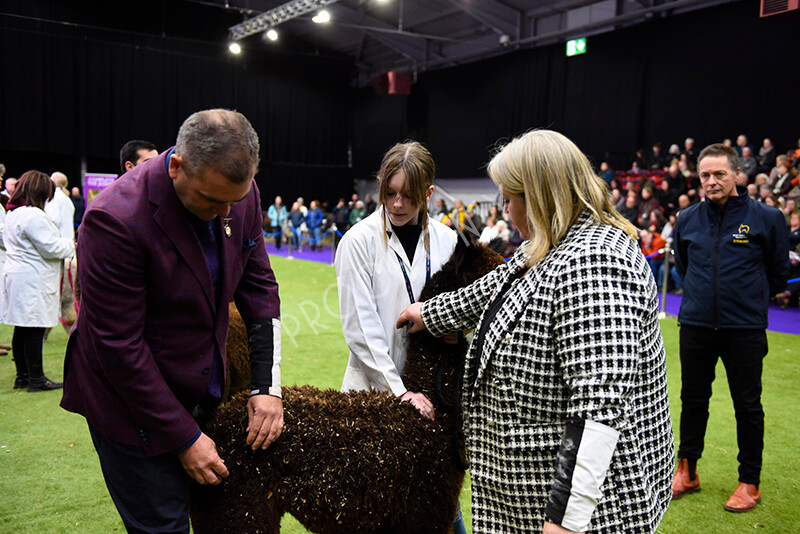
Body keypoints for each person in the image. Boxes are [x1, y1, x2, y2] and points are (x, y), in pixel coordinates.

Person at [397, 130, 673, 533]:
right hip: (526, 495)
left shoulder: (597, 262)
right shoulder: (552, 241)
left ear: (542, 196)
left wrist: (565, 520)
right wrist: (432, 312)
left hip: (585, 512)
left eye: (509, 199)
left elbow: (597, 410)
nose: (505, 211)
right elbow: (498, 285)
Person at [60, 109, 284, 532]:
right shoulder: (114, 219)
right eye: (211, 200)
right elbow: (119, 346)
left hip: (202, 384)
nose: (224, 213)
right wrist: (183, 437)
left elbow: (259, 288)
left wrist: (265, 386)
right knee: (164, 526)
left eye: (232, 202)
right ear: (177, 165)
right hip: (126, 402)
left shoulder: (241, 193)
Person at [335, 141, 464, 532]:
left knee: (437, 508)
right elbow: (361, 330)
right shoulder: (357, 241)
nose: (396, 204)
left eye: (408, 195)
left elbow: (462, 309)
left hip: (434, 396)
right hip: (372, 396)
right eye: (389, 193)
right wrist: (399, 392)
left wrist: (456, 333)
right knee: (372, 511)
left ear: (427, 193)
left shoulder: (448, 240)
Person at [671, 143, 790, 513]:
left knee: (748, 406)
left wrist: (748, 301)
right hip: (695, 325)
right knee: (692, 401)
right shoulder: (687, 218)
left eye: (719, 174)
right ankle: (687, 470)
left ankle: (748, 481)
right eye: (705, 175)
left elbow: (778, 273)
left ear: (738, 174)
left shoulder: (768, 218)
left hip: (744, 329)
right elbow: (685, 268)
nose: (711, 181)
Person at [1, 171, 74, 391]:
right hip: (32, 277)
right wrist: (72, 244)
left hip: (18, 275)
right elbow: (50, 247)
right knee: (34, 327)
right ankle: (36, 379)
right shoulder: (34, 215)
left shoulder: (13, 213)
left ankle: (23, 376)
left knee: (22, 328)